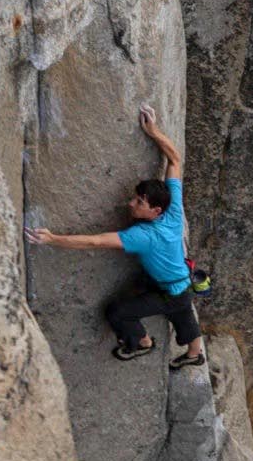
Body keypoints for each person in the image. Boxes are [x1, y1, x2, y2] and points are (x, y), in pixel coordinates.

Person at [25, 106, 206, 368]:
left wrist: (52, 239)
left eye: (139, 202)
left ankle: (142, 343)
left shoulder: (144, 236)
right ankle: (194, 355)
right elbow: (175, 160)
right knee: (182, 310)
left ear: (155, 210)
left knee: (119, 312)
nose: (131, 203)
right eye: (135, 197)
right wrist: (153, 131)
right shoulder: (173, 210)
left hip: (170, 289)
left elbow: (96, 241)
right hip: (181, 281)